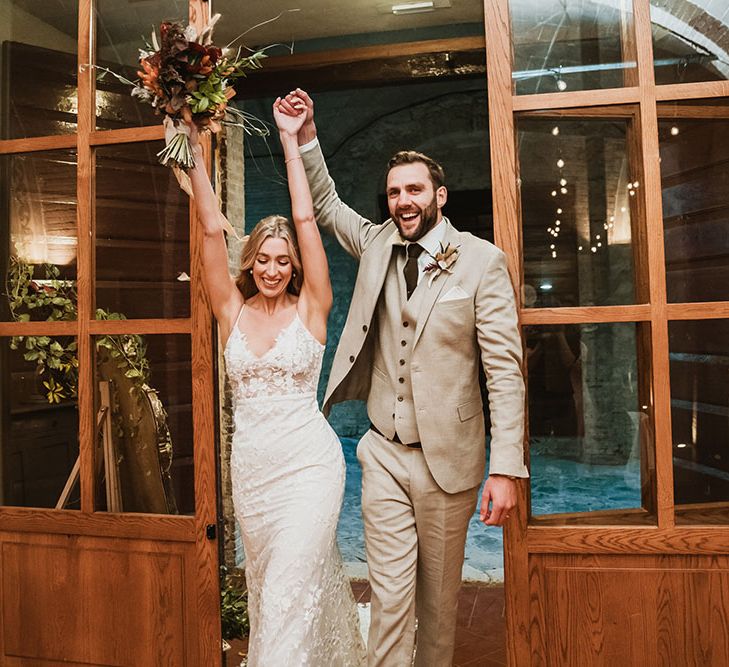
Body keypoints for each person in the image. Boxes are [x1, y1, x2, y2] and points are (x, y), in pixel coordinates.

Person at [278, 88, 529, 666]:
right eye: (394, 192)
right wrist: (307, 132)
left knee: (439, 608)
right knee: (390, 598)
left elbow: (505, 372)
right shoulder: (375, 244)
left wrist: (506, 468)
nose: (402, 201)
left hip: (450, 462)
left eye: (414, 190)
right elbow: (325, 202)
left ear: (439, 195)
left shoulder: (481, 261)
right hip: (384, 453)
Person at [186, 96, 366, 665]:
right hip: (255, 475)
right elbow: (212, 233)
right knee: (273, 594)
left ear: (295, 266)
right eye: (263, 259)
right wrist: (191, 146)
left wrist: (291, 141)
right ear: (250, 263)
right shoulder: (231, 313)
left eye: (282, 260)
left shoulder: (313, 308)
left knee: (289, 589)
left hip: (310, 467)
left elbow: (308, 217)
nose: (272, 269)